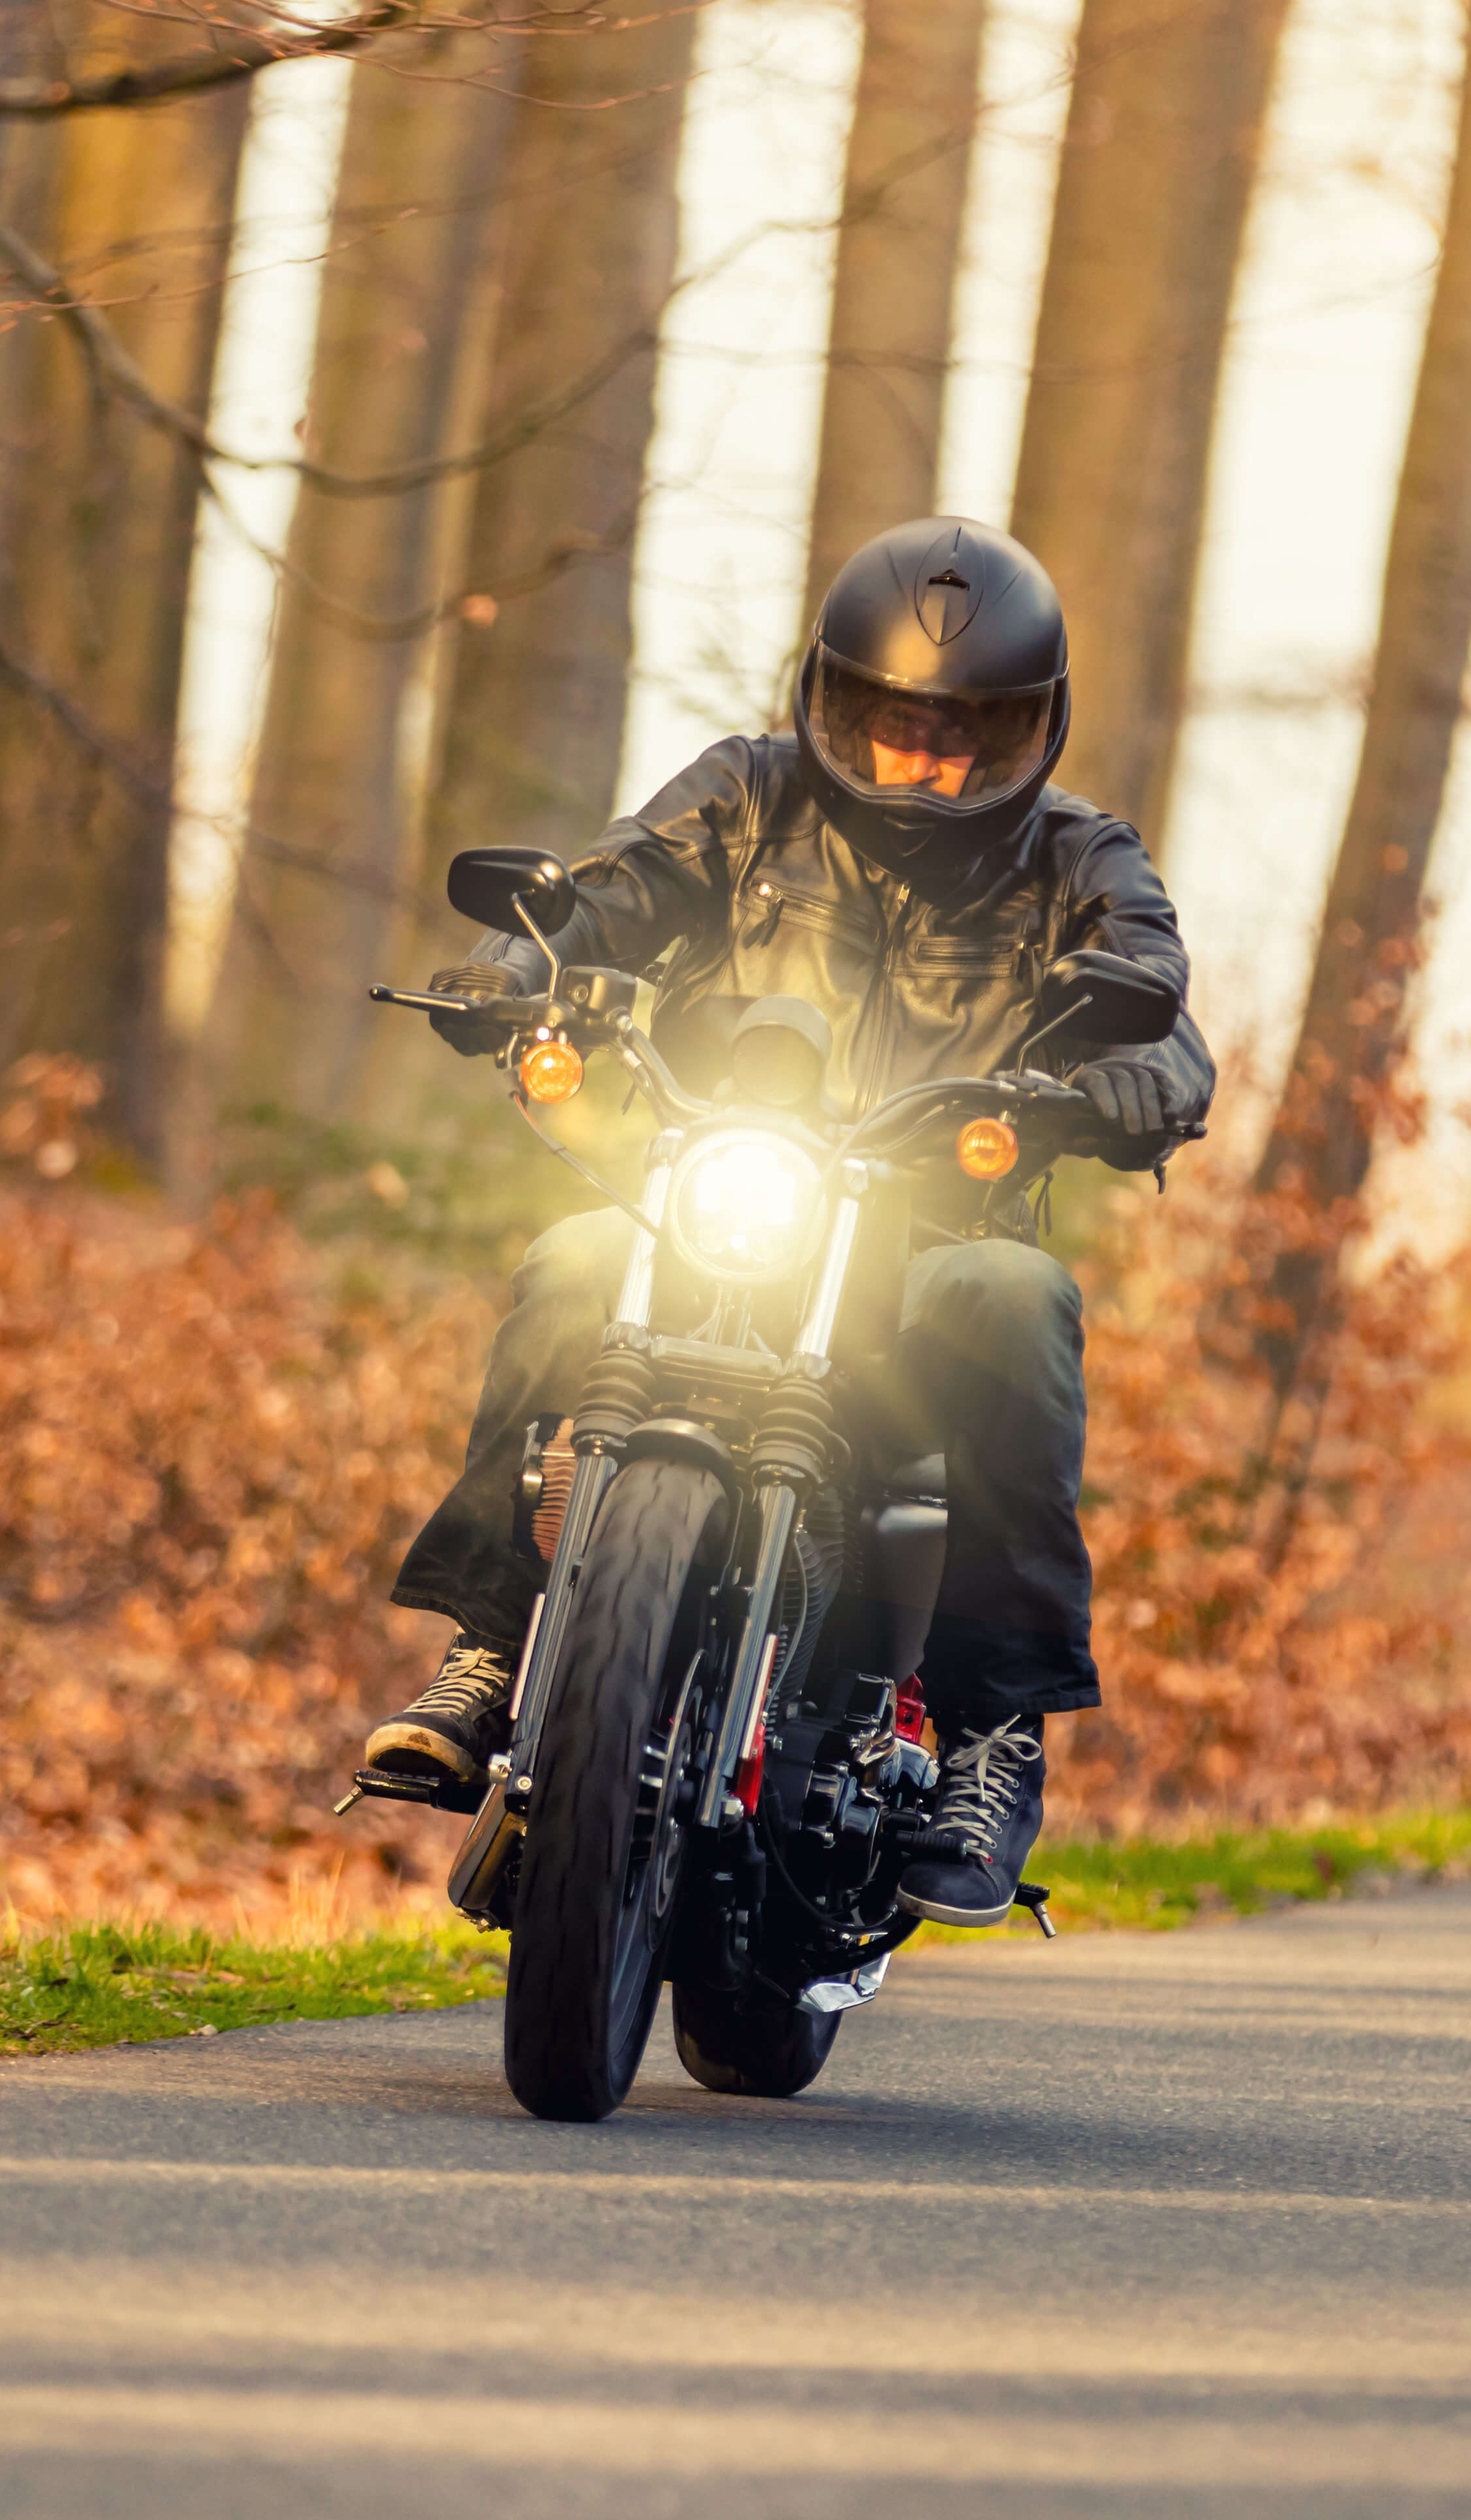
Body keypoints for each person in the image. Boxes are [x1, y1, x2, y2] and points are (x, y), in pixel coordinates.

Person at [354, 517, 1214, 1928]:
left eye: (962, 733)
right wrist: (517, 966)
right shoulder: (746, 798)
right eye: (893, 724)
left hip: (932, 1235)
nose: (923, 759)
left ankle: (994, 1729)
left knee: (1013, 1296)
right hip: (715, 1196)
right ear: (837, 702)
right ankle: (498, 1643)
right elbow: (607, 892)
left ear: (1023, 732)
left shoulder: (1077, 855)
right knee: (572, 1258)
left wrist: (1128, 1078)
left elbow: (1157, 1002)